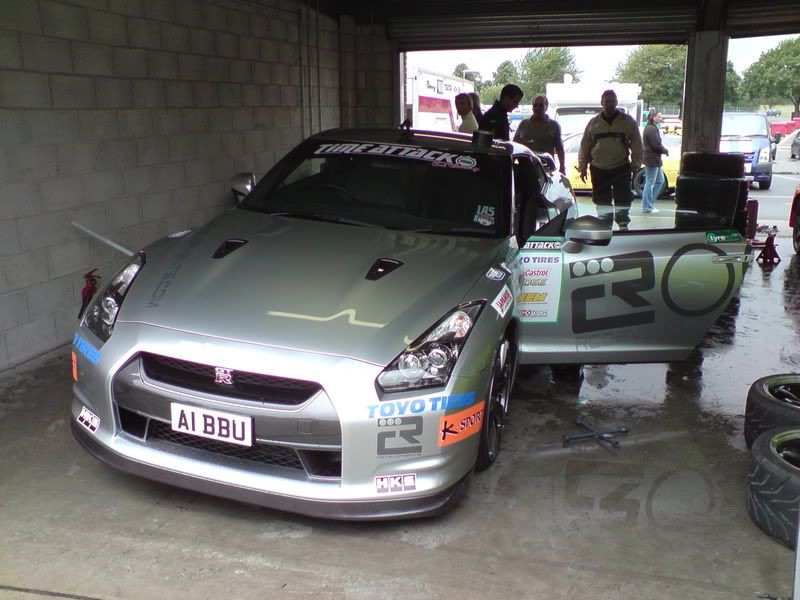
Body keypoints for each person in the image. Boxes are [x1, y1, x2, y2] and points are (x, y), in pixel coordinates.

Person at [577, 89, 643, 231]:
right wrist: (582, 167)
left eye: (613, 101)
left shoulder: (627, 122)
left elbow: (637, 144)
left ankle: (623, 223)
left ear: (616, 102)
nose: (610, 104)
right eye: (607, 101)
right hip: (598, 168)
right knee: (601, 200)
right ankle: (604, 224)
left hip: (621, 167)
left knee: (623, 198)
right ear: (602, 103)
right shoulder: (593, 123)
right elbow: (584, 146)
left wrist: (636, 164)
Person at [513, 94, 566, 175]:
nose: (537, 108)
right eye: (535, 105)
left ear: (546, 107)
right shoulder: (523, 124)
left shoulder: (554, 126)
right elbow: (515, 146)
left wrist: (562, 167)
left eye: (541, 105)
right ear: (532, 108)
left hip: (546, 171)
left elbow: (559, 148)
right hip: (525, 169)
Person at [641, 109, 669, 214]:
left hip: (654, 159)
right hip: (651, 159)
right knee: (650, 183)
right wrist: (665, 151)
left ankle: (650, 204)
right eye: (659, 117)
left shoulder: (651, 128)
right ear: (653, 117)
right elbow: (656, 145)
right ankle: (647, 207)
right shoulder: (651, 129)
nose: (661, 118)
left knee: (659, 181)